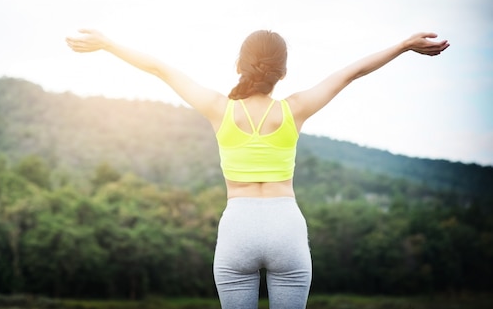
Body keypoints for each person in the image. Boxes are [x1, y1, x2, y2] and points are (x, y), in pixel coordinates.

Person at [65, 29, 449, 309]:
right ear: (281, 72)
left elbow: (161, 69)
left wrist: (108, 44)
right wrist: (402, 46)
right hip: (287, 228)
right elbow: (351, 73)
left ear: (239, 66)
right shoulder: (294, 109)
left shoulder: (219, 109)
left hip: (238, 229)